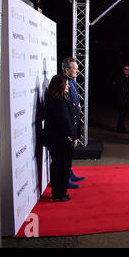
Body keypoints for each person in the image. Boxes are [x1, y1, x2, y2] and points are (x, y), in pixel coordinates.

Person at [44, 75, 78, 202]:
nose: (68, 86)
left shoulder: (53, 99)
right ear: (60, 85)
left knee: (57, 165)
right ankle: (60, 193)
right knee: (62, 166)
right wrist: (73, 137)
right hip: (61, 140)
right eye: (66, 84)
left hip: (55, 139)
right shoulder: (59, 101)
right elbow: (65, 121)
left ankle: (57, 192)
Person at [62, 57, 85, 188]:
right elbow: (66, 102)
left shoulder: (72, 81)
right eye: (75, 69)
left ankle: (70, 173)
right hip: (69, 121)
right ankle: (65, 179)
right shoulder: (64, 83)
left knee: (70, 151)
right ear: (67, 69)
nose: (78, 71)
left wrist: (78, 106)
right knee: (65, 153)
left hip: (74, 120)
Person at [113, 65, 129, 133]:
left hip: (126, 99)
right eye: (126, 69)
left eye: (128, 70)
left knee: (124, 114)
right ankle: (120, 129)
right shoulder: (119, 78)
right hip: (121, 99)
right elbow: (116, 89)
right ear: (123, 70)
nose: (127, 71)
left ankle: (122, 128)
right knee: (121, 114)